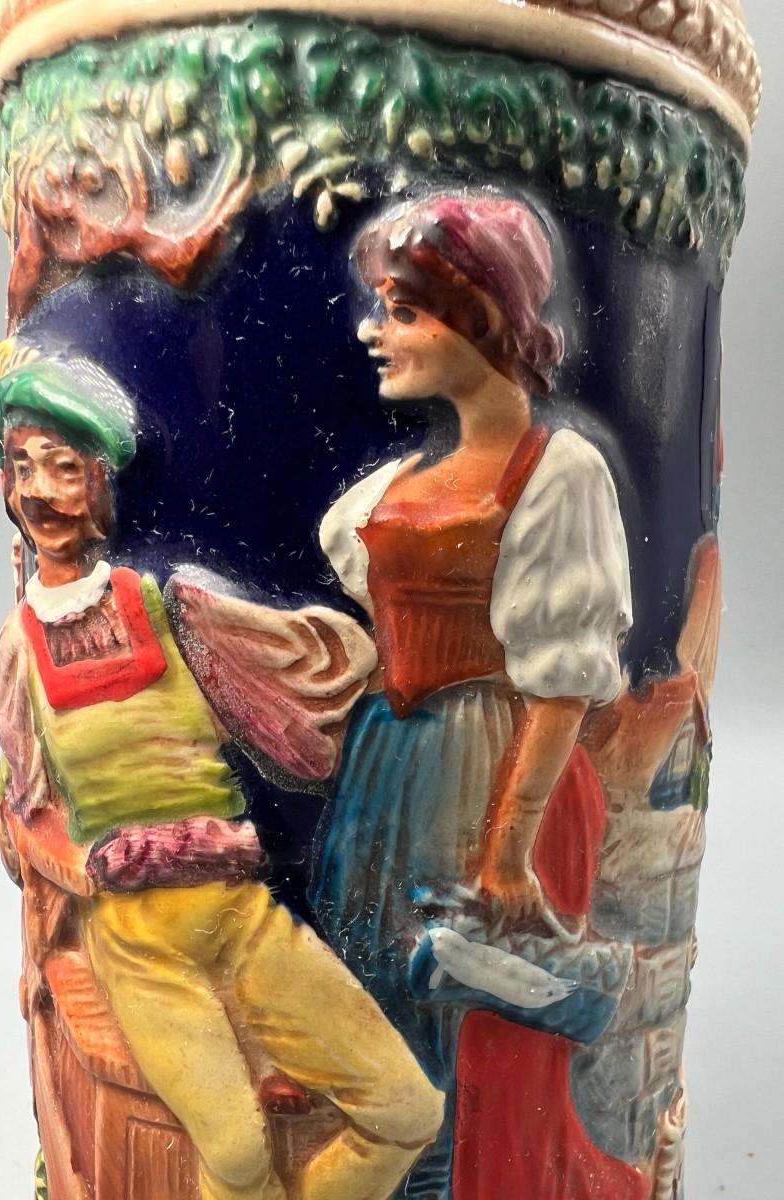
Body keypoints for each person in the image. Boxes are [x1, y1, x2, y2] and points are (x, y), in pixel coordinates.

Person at [0, 351, 444, 1200]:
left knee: (408, 1109)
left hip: (241, 913)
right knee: (234, 1154)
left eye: (64, 469)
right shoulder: (22, 648)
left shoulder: (170, 612)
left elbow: (305, 679)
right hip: (137, 938)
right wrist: (85, 867)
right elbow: (27, 807)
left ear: (99, 485)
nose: (43, 492)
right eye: (23, 468)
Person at [310, 194, 638, 1197]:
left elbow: (558, 688)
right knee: (380, 989)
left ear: (484, 320)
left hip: (484, 763)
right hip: (387, 766)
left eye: (405, 311)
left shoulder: (556, 473)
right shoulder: (398, 485)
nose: (376, 331)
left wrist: (508, 846)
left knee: (460, 1009)